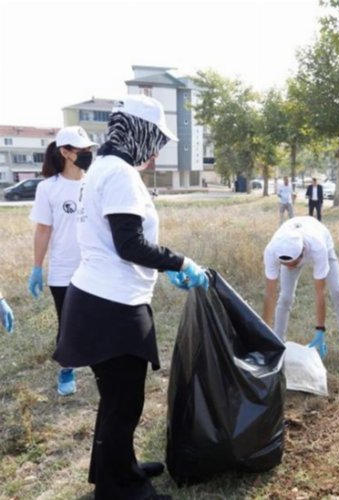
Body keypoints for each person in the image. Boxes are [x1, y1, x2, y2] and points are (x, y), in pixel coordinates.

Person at [54, 94, 208, 500]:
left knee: (117, 401)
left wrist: (166, 267)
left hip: (98, 298)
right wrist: (180, 263)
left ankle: (118, 469)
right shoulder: (119, 173)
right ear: (138, 132)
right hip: (112, 307)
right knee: (124, 403)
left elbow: (120, 241)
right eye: (155, 140)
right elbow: (129, 244)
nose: (156, 151)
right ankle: (120, 490)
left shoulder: (102, 167)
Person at [28, 126, 98, 396]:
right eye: (83, 151)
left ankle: (100, 365)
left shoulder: (96, 182)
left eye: (89, 150)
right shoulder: (49, 188)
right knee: (68, 323)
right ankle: (67, 368)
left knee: (98, 320)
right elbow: (43, 229)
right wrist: (36, 268)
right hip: (63, 272)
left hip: (96, 268)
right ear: (66, 153)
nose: (88, 155)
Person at [262, 216, 339, 362]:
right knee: (285, 297)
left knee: (338, 291)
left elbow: (320, 292)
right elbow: (270, 295)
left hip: (322, 242)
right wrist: (263, 335)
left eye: (293, 263)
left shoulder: (318, 247)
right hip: (295, 242)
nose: (290, 267)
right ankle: (277, 344)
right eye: (285, 264)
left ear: (302, 252)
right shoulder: (271, 251)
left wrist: (320, 331)